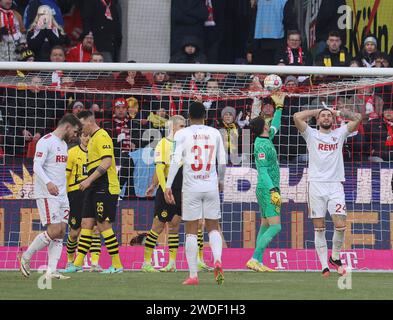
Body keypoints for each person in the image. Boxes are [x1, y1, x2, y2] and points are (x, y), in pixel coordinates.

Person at [293, 106, 362, 277]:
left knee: (340, 225)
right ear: (318, 119)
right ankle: (324, 266)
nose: (325, 118)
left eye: (328, 116)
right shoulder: (310, 134)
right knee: (319, 227)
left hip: (335, 185)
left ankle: (335, 257)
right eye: (323, 116)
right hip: (316, 185)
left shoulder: (339, 133)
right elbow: (296, 117)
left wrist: (338, 113)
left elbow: (358, 117)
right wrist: (317, 110)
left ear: (332, 120)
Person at [164, 102, 226, 285]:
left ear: (189, 117)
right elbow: (222, 161)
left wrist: (168, 185)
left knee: (190, 230)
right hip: (211, 185)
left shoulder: (182, 133)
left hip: (191, 187)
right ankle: (217, 259)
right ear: (204, 115)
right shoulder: (215, 133)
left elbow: (175, 160)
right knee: (213, 226)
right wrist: (220, 181)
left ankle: (193, 275)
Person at [18, 113, 82, 280]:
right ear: (67, 126)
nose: (75, 135)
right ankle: (26, 256)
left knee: (61, 232)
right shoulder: (45, 141)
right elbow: (36, 166)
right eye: (75, 131)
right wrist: (48, 183)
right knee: (53, 230)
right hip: (47, 193)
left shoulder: (63, 144)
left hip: (62, 194)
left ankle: (51, 270)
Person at [64, 110, 123, 274]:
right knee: (86, 224)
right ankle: (77, 263)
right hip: (93, 187)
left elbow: (107, 161)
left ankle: (117, 265)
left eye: (82, 126)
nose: (81, 130)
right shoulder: (90, 141)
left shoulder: (102, 136)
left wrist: (88, 180)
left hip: (105, 186)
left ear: (89, 122)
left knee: (103, 224)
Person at [246, 92, 285, 272]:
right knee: (276, 226)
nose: (269, 123)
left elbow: (276, 125)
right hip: (267, 188)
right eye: (266, 121)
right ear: (263, 126)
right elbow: (261, 171)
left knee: (265, 224)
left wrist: (279, 108)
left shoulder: (265, 138)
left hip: (268, 188)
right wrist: (272, 190)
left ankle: (258, 261)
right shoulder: (260, 145)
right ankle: (254, 257)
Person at [142, 115, 186, 272]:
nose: (183, 129)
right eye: (181, 126)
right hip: (167, 187)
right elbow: (159, 168)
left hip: (182, 188)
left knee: (175, 225)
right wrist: (161, 186)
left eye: (184, 126)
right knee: (158, 225)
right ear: (173, 127)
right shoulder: (163, 143)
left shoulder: (185, 145)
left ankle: (172, 263)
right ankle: (146, 262)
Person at [63, 132, 103, 272]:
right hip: (76, 194)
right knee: (74, 232)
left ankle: (95, 263)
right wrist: (65, 195)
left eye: (90, 136)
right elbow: (66, 175)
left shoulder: (98, 154)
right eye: (85, 135)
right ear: (80, 137)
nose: (87, 139)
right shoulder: (72, 152)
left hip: (93, 193)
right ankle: (69, 261)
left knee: (95, 229)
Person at [251, 0, 297, 65]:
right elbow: (291, 25)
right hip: (264, 44)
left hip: (276, 43)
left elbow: (291, 24)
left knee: (274, 71)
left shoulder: (258, 2)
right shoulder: (258, 3)